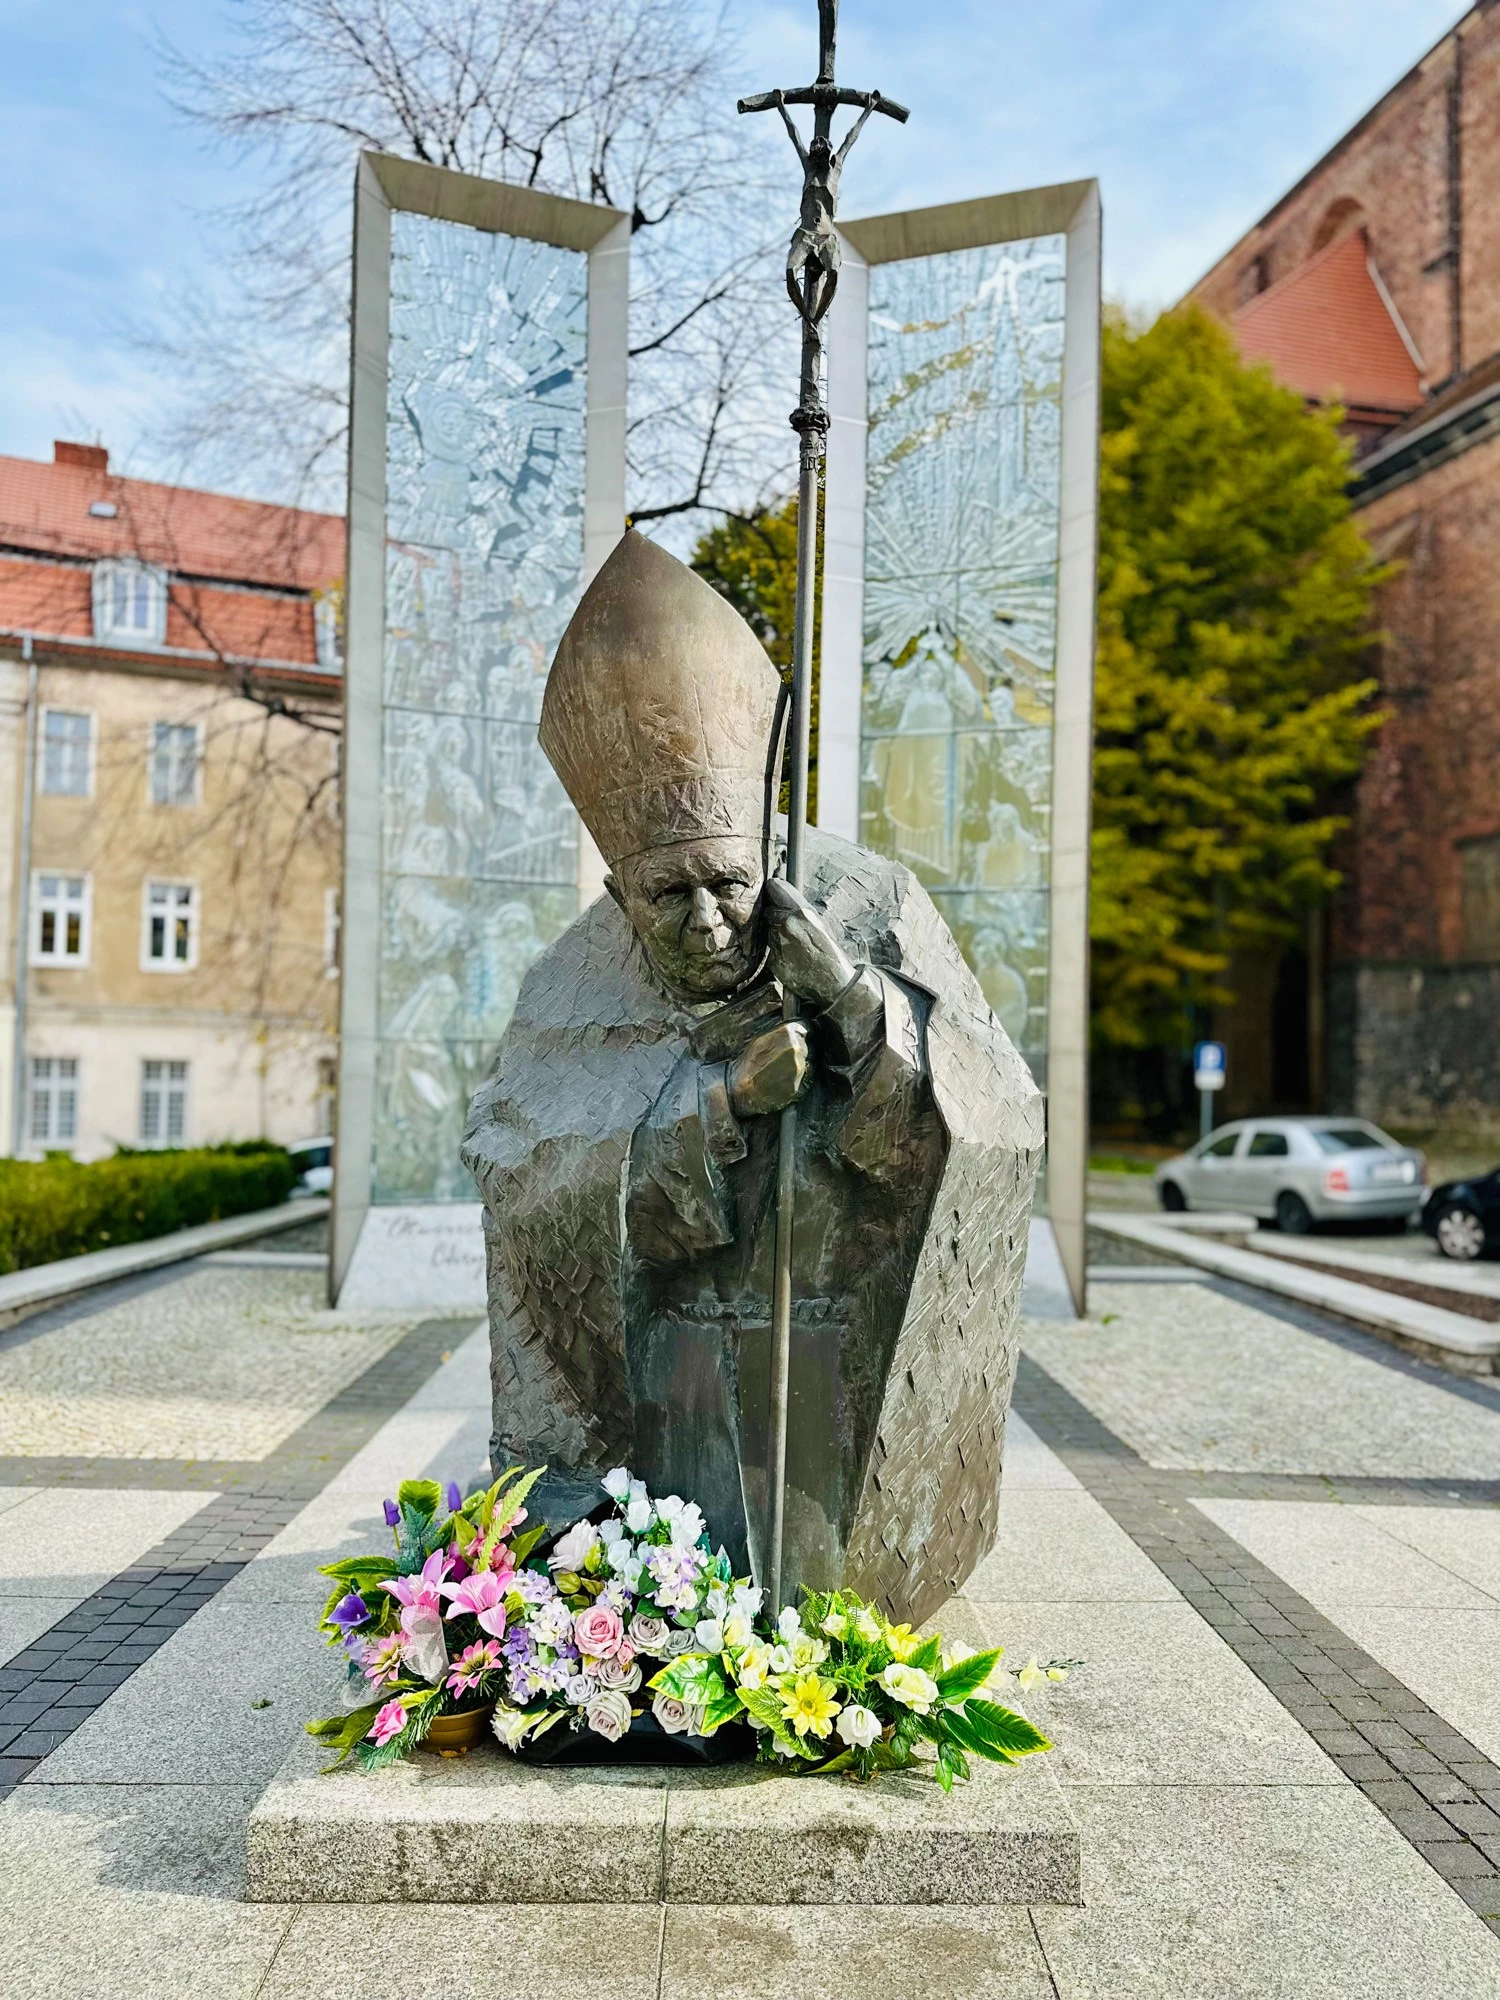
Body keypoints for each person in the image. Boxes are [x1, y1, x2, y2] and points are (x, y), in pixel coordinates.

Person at [462, 531, 1041, 1620]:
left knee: (827, 1600)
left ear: (767, 861)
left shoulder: (868, 901)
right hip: (666, 1371)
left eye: (728, 883)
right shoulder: (572, 979)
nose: (707, 918)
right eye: (666, 894)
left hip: (840, 1355)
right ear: (620, 893)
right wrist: (719, 1100)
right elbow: (520, 1176)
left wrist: (857, 1005)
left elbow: (996, 1119)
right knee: (688, 1591)